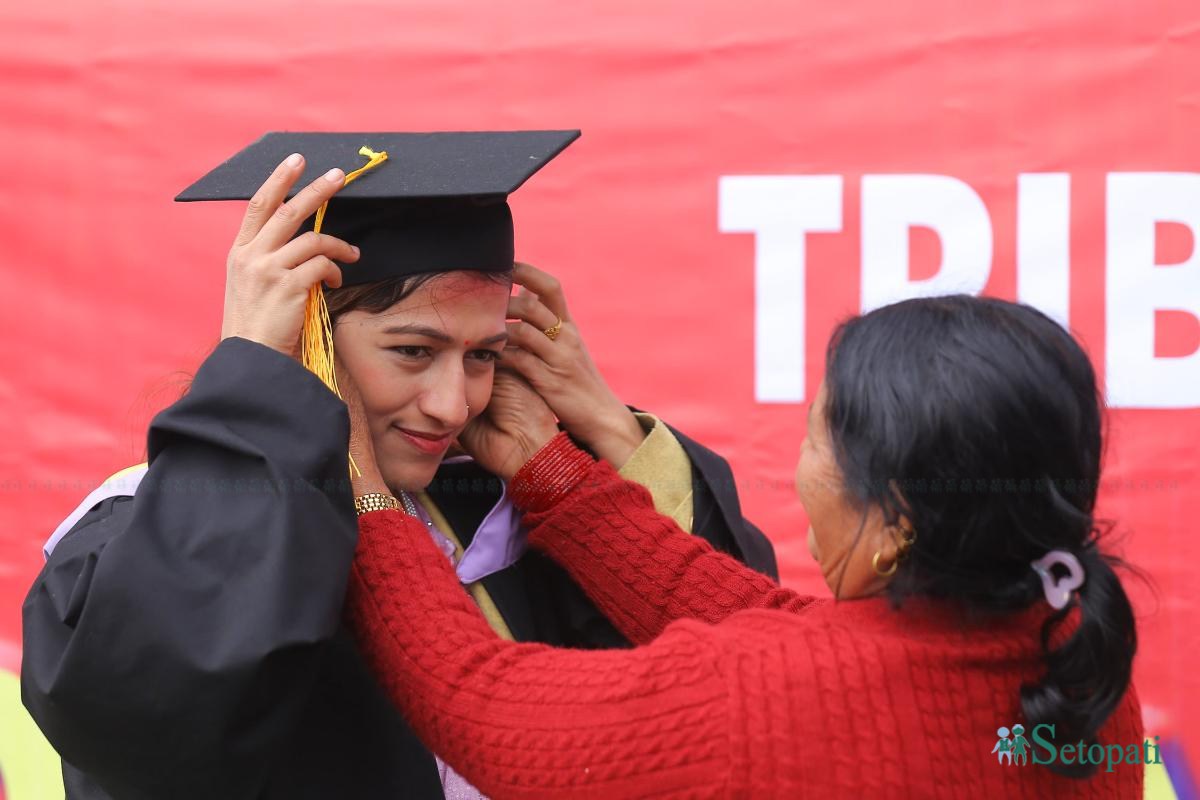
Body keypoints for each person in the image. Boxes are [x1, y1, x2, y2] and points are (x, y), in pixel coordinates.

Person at [21, 132, 775, 799]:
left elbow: (734, 666)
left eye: (481, 356)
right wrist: (253, 381)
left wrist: (603, 427)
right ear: (304, 332)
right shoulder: (137, 525)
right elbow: (150, 734)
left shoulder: (494, 518)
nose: (452, 407)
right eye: (412, 352)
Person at [344, 295, 1143, 797]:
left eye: (815, 438)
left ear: (897, 521)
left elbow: (481, 705)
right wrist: (548, 468)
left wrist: (366, 490)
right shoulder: (1072, 649)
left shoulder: (756, 701)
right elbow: (770, 622)